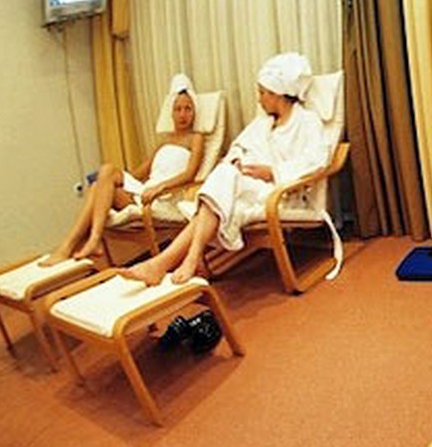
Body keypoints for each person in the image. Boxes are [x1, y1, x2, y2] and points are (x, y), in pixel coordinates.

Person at [124, 52, 330, 286]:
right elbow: (237, 148)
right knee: (220, 189)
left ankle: (167, 262)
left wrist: (272, 171)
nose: (259, 100)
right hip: (251, 189)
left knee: (216, 193)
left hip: (283, 193)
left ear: (278, 93)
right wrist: (238, 161)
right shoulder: (263, 123)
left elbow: (317, 161)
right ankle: (182, 260)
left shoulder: (307, 122)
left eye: (262, 93)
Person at [41, 74, 204, 266]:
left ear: (194, 112)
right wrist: (104, 180)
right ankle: (86, 242)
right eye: (178, 109)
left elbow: (190, 174)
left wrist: (160, 187)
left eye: (188, 109)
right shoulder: (163, 142)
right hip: (144, 194)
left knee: (104, 176)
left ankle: (74, 244)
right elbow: (137, 174)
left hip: (162, 199)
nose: (183, 114)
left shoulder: (196, 138)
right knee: (101, 180)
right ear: (172, 113)